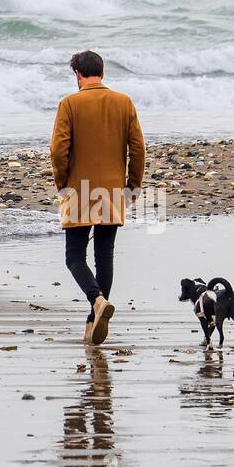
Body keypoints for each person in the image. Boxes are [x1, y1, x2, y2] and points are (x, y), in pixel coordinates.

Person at [49, 50, 145, 344]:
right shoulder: (124, 102)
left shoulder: (69, 104)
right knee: (104, 255)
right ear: (101, 72)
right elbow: (138, 148)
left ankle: (96, 301)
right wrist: (133, 186)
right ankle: (94, 319)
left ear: (78, 74)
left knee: (74, 256)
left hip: (79, 189)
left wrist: (62, 183)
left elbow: (58, 150)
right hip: (113, 189)